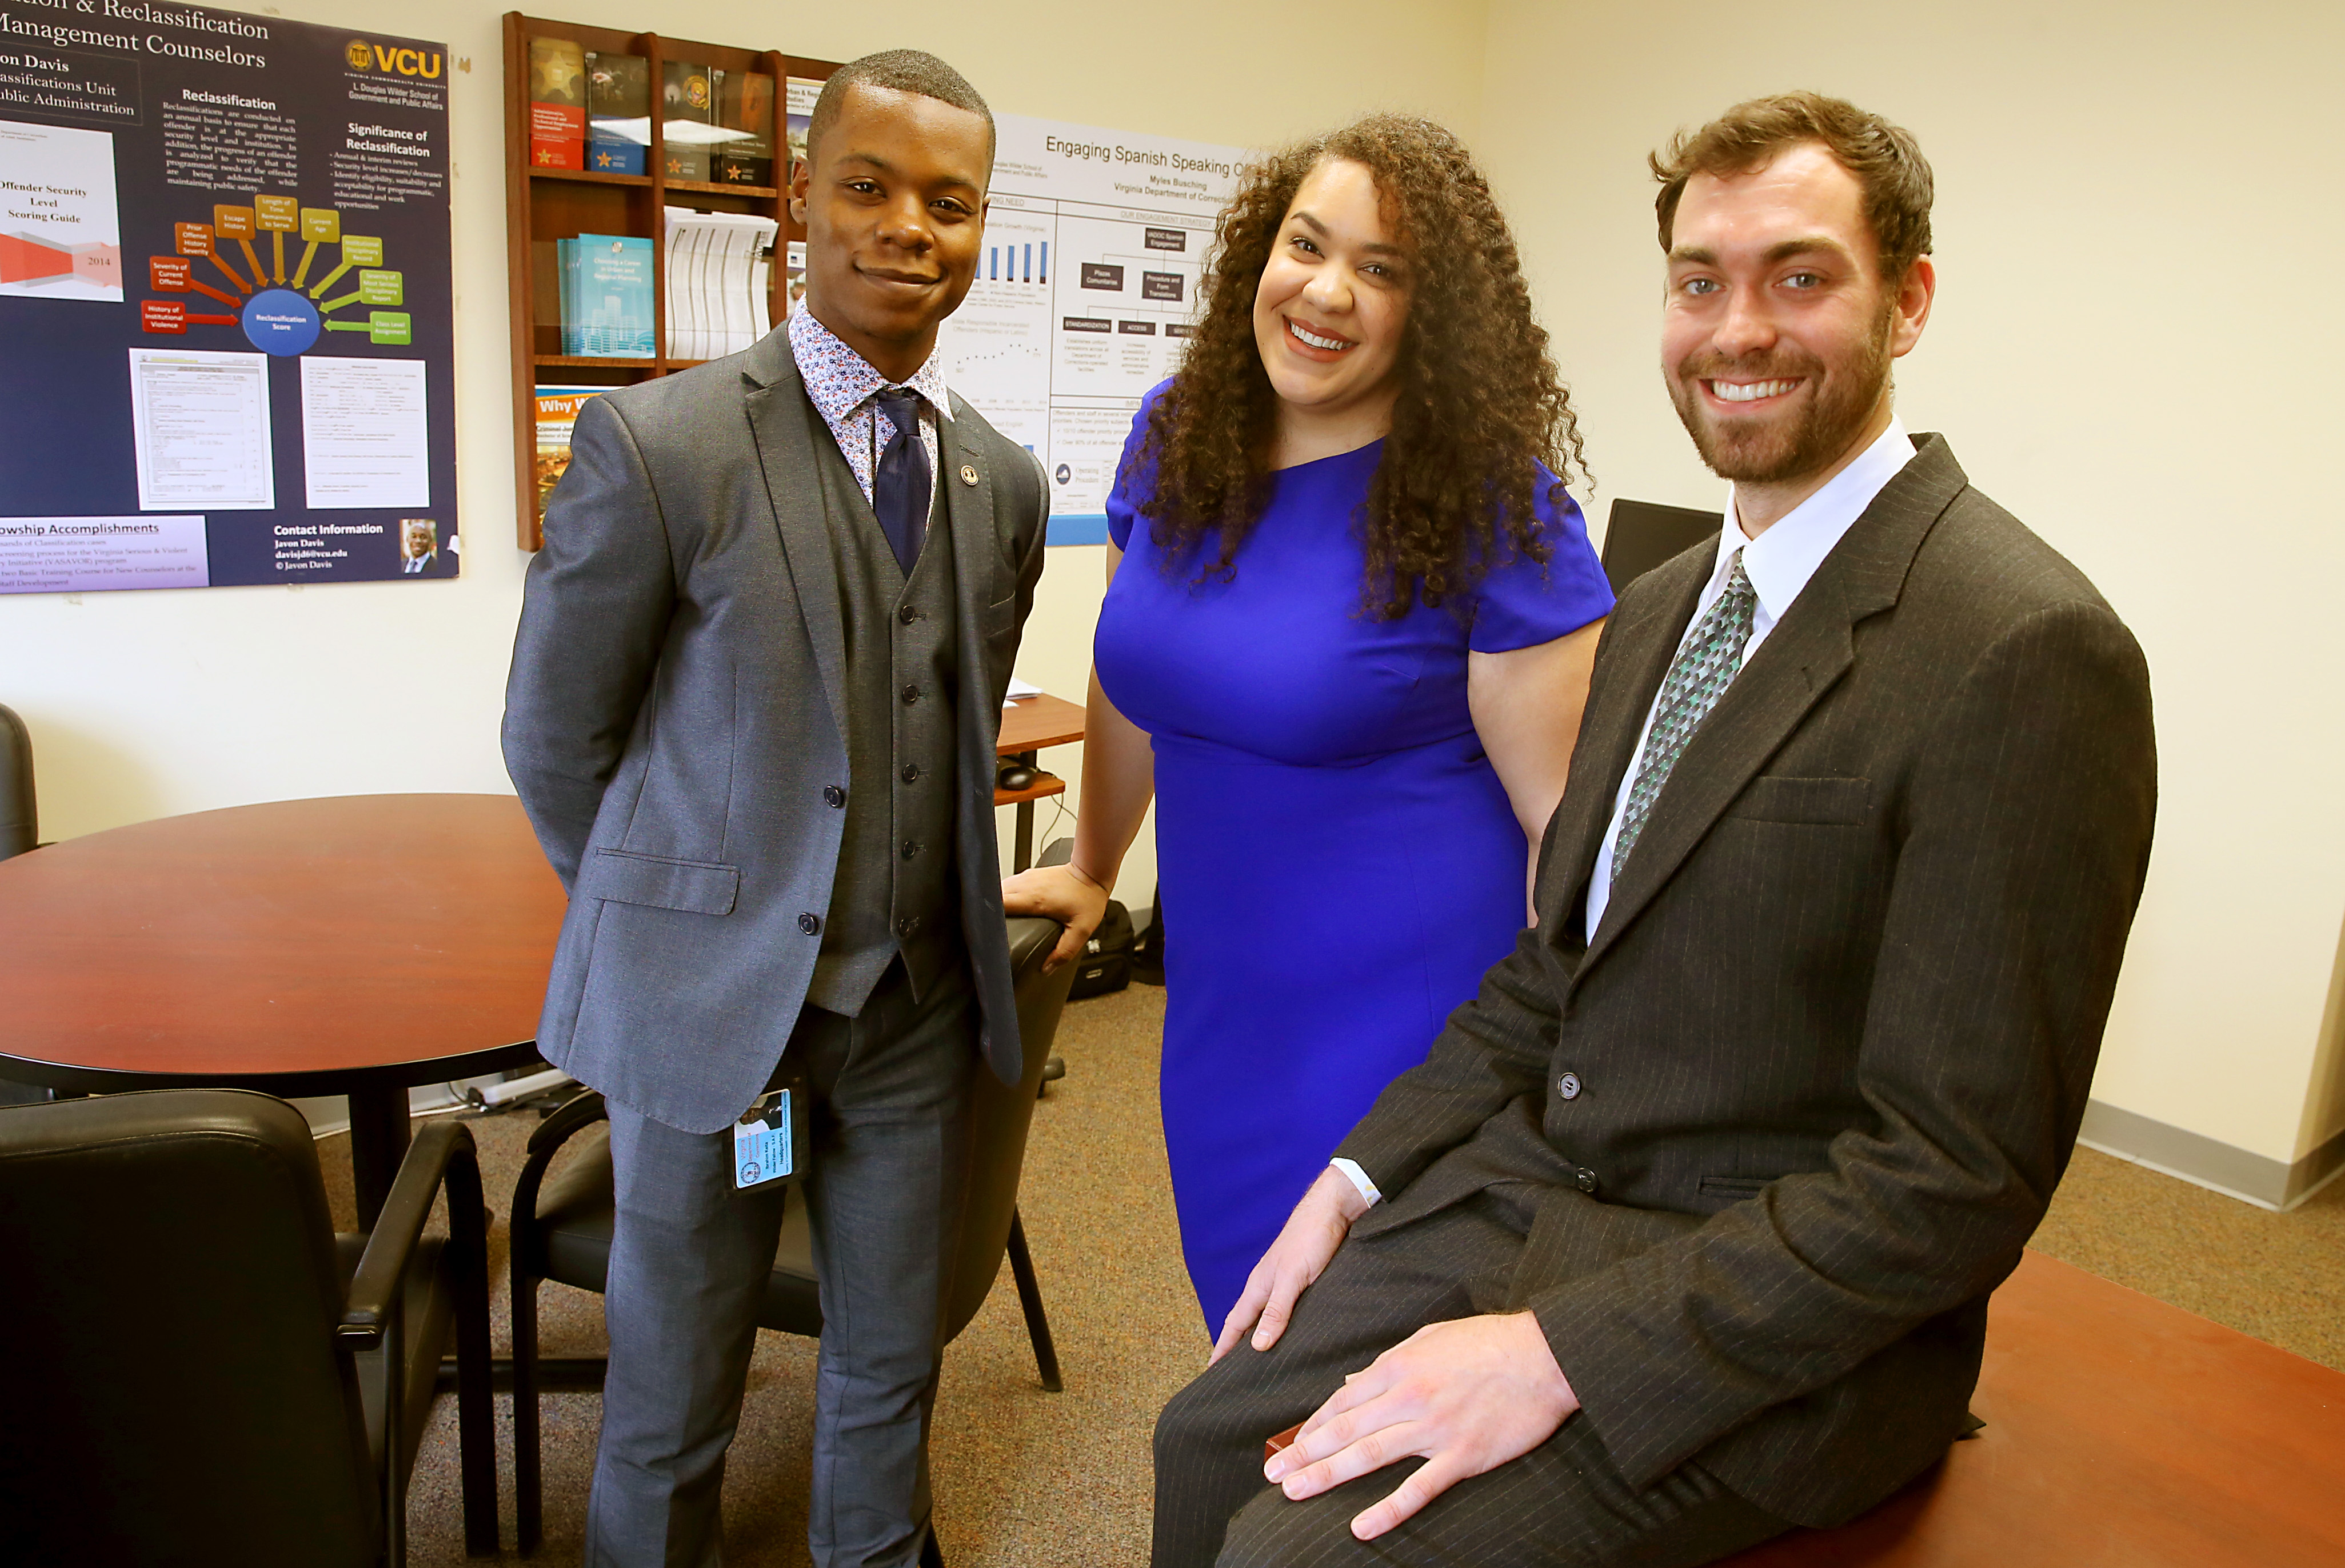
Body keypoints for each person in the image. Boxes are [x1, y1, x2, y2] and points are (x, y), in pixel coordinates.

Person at [1150, 91, 2158, 1568]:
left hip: (1776, 1315)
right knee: (1201, 1439)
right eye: (1701, 282)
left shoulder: (2025, 648)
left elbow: (1950, 1177)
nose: (1737, 329)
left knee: (1298, 1555)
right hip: (1542, 1192)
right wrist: (1355, 1180)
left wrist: (1552, 1354)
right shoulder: (1666, 604)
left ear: (1911, 301)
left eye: (1799, 277)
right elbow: (1554, 964)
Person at [501, 51, 1046, 1568]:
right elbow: (556, 740)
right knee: (678, 1387)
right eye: (867, 186)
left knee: (888, 1366)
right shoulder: (660, 446)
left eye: (950, 202)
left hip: (914, 1025)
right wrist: (681, 926)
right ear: (801, 198)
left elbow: (960, 719)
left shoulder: (997, 480)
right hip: (714, 1030)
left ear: (978, 230)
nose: (906, 228)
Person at [1002, 114, 1614, 1332]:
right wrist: (1090, 865)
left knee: (1350, 1368)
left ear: (1430, 315)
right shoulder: (1180, 431)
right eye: (1307, 244)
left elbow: (1570, 833)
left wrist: (1562, 1091)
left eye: (1383, 270)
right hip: (1228, 1006)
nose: (1327, 291)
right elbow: (1134, 671)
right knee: (1240, 1336)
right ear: (1259, 256)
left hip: (1409, 1017)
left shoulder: (1495, 505)